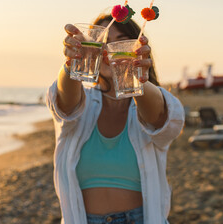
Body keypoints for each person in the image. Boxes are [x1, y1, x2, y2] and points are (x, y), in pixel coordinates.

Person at [46, 14, 185, 224]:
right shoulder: (83, 101)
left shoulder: (148, 100)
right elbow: (64, 105)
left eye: (120, 42)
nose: (108, 50)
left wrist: (136, 77)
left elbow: (160, 119)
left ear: (136, 47)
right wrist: (71, 64)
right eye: (102, 42)